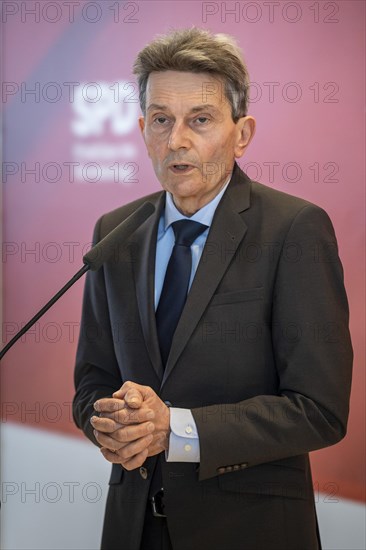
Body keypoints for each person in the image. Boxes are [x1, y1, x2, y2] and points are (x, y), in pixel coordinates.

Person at [73, 28, 353, 550]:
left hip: (248, 531)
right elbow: (92, 379)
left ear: (241, 133)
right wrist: (107, 425)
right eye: (161, 120)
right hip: (132, 528)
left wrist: (173, 428)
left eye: (199, 120)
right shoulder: (115, 233)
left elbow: (320, 409)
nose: (176, 140)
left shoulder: (294, 230)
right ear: (141, 130)